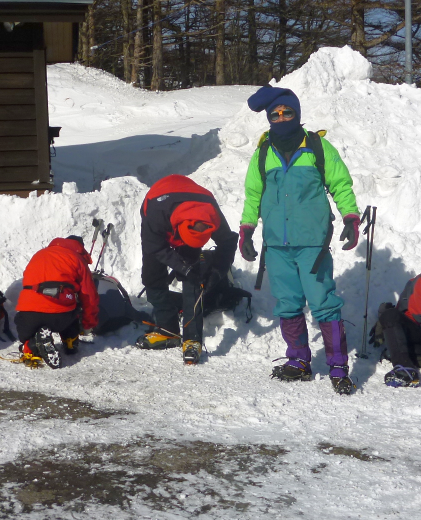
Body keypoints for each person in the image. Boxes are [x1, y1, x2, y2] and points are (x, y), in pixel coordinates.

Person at [238, 86, 360, 395]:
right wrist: (247, 229)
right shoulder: (263, 152)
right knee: (288, 303)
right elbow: (253, 194)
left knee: (323, 303)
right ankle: (299, 361)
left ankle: (337, 366)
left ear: (297, 114)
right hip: (277, 244)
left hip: (312, 244)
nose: (281, 118)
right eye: (275, 114)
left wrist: (350, 217)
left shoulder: (318, 147)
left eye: (286, 112)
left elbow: (340, 184)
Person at [137, 174, 237, 365]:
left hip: (191, 207)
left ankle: (192, 339)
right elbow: (156, 248)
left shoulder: (211, 213)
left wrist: (217, 272)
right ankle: (168, 329)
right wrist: (181, 266)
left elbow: (228, 241)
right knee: (152, 275)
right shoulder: (156, 216)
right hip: (158, 207)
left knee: (193, 277)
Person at [15, 235, 99, 368]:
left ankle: (31, 344)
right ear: (80, 248)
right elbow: (90, 297)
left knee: (27, 330)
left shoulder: (39, 254)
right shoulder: (77, 259)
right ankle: (70, 341)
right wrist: (88, 323)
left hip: (27, 315)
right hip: (60, 316)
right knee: (73, 306)